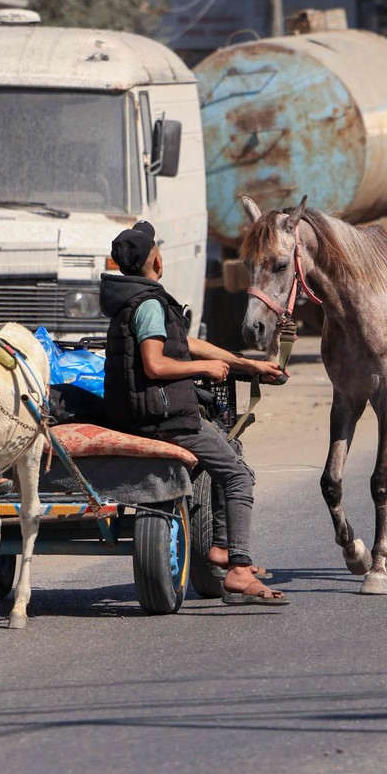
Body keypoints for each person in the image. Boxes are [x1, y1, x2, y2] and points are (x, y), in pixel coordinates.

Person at [100, 221, 289, 605]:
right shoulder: (150, 304)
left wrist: (246, 365)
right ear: (153, 258)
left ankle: (222, 548)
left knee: (226, 452)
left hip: (142, 412)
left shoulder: (135, 300)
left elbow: (187, 342)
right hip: (164, 419)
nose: (160, 253)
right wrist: (201, 370)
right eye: (157, 248)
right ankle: (238, 568)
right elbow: (155, 365)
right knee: (238, 477)